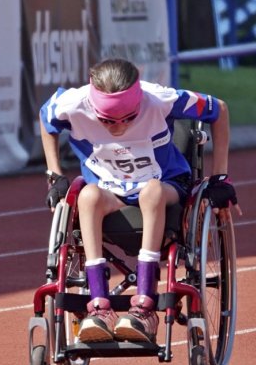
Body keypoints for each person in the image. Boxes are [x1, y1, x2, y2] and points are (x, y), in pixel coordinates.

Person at [39, 58, 239, 344]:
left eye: (128, 119)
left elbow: (218, 109)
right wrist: (54, 175)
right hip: (109, 190)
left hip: (166, 185)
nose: (118, 128)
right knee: (87, 196)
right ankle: (99, 305)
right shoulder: (72, 103)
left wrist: (220, 176)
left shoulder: (160, 99)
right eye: (107, 121)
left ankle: (145, 305)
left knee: (151, 191)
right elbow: (46, 119)